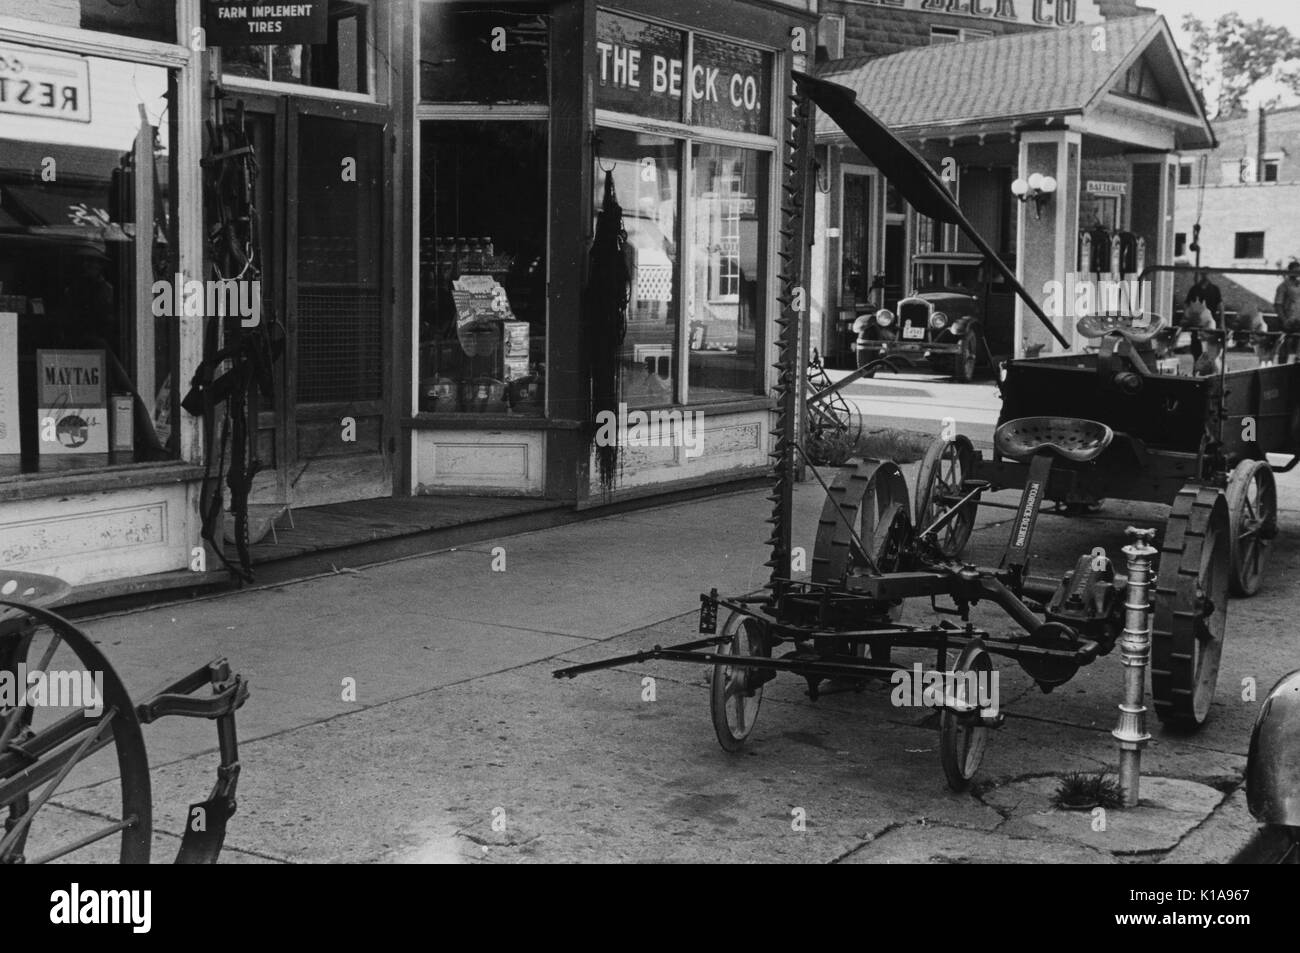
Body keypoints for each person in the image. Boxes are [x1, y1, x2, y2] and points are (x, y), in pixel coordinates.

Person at [1274, 260, 1300, 363]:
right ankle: (1281, 366)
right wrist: (1284, 320)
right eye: (1295, 271)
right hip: (1288, 320)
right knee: (1286, 343)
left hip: (1299, 320)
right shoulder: (1284, 286)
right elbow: (1278, 304)